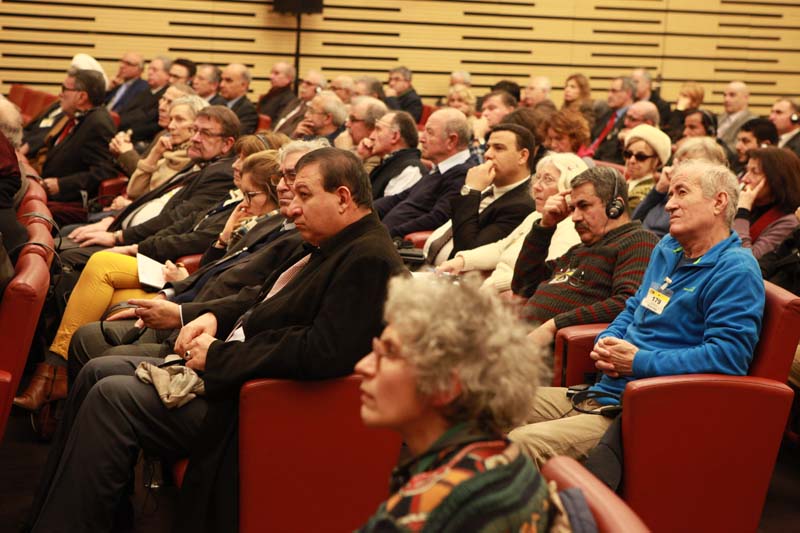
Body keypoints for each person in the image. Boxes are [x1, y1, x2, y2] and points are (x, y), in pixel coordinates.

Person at [24, 147, 406, 532]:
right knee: (97, 371)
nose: (291, 208)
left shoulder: (368, 258)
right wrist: (210, 318)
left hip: (256, 404)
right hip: (236, 373)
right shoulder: (334, 243)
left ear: (342, 197)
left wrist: (220, 355)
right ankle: (86, 516)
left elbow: (322, 352)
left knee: (112, 396)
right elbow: (259, 302)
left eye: (304, 195)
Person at [508, 160, 765, 468]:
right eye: (669, 195)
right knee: (481, 403)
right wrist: (606, 340)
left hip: (641, 411)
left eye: (681, 193)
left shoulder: (736, 269)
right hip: (601, 392)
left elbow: (728, 357)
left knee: (520, 443)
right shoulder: (669, 247)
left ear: (719, 202)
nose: (669, 205)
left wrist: (637, 361)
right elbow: (633, 307)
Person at [12, 146, 284, 412]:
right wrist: (221, 240)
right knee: (91, 278)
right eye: (236, 157)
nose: (236, 164)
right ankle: (51, 374)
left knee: (98, 269)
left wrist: (135, 248)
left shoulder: (265, 224)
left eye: (243, 158)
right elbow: (177, 219)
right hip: (181, 281)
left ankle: (52, 375)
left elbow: (214, 266)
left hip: (186, 290)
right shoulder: (236, 200)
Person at [356, 275, 551, 532]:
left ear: (445, 385)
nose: (363, 366)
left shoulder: (421, 513)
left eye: (390, 352)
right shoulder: (515, 462)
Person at [512, 166, 659, 348]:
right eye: (573, 208)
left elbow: (627, 302)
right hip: (517, 344)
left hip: (552, 356)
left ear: (616, 206)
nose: (574, 217)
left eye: (584, 206)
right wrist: (545, 226)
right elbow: (522, 286)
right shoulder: (578, 250)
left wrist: (554, 325)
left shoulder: (638, 241)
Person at [437, 153, 585, 292]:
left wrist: (494, 286)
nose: (536, 186)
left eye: (548, 180)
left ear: (569, 190)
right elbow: (502, 248)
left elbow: (543, 277)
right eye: (538, 178)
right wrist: (462, 261)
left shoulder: (571, 229)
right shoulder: (535, 216)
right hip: (487, 291)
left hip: (506, 300)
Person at [423, 123, 536, 265]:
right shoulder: (488, 188)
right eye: (488, 147)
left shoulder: (521, 205)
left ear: (523, 156)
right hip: (426, 263)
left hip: (455, 278)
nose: (487, 154)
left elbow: (468, 251)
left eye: (499, 148)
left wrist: (470, 190)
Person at [375, 108, 478, 238]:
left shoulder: (463, 175)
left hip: (400, 246)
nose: (422, 139)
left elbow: (436, 219)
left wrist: (387, 234)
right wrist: (362, 213)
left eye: (429, 133)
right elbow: (398, 199)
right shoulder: (439, 170)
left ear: (451, 141)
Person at [107, 95, 207, 212]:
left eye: (179, 120)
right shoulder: (168, 150)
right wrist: (154, 154)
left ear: (198, 125)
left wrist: (131, 205)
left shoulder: (196, 162)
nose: (171, 126)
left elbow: (167, 208)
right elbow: (133, 191)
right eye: (171, 120)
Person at [39, 68, 116, 210]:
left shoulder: (98, 123)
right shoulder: (79, 116)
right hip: (51, 192)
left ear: (82, 97)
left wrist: (61, 184)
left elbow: (104, 171)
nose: (60, 94)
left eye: (64, 89)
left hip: (71, 201)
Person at [633, 137, 727, 238]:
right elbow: (633, 223)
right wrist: (658, 190)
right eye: (677, 162)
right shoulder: (665, 191)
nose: (673, 168)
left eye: (684, 164)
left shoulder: (700, 202)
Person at [735, 147, 800, 259]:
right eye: (746, 171)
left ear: (776, 179)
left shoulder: (789, 222)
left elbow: (747, 260)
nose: (745, 179)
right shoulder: (748, 203)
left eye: (754, 172)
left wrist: (742, 211)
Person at [364, 111, 426, 199]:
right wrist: (360, 157)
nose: (371, 136)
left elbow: (389, 210)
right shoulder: (387, 162)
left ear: (395, 136)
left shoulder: (410, 170)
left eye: (378, 129)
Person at [621, 124, 671, 210]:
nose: (631, 160)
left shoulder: (647, 193)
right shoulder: (627, 182)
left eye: (641, 157)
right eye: (628, 154)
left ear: (656, 162)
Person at [587, 77, 635, 164]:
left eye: (614, 91)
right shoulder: (607, 114)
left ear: (628, 93)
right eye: (609, 91)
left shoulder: (633, 119)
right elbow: (592, 138)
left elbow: (612, 153)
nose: (609, 95)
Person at [219, 63, 258, 135]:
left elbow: (237, 137)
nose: (221, 85)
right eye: (222, 80)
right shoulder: (218, 103)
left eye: (228, 80)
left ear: (243, 85)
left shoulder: (248, 110)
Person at [717, 81, 754, 153]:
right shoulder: (719, 118)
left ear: (745, 97)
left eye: (732, 95)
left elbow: (736, 149)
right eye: (724, 95)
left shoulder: (751, 121)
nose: (726, 99)